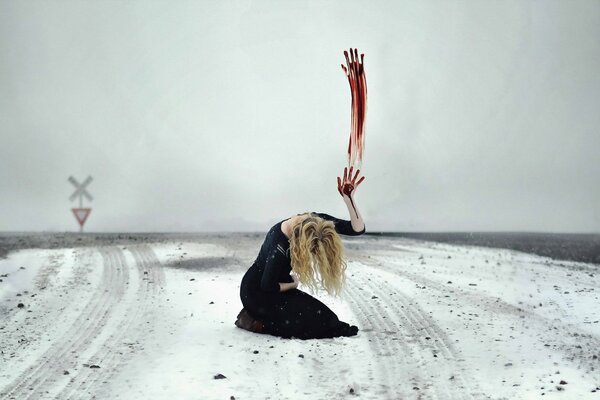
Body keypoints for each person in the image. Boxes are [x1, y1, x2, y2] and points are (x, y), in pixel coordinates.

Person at [235, 167, 366, 339]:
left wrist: (349, 199)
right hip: (258, 293)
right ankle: (253, 320)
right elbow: (268, 286)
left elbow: (357, 229)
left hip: (279, 288)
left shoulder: (315, 221)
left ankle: (263, 318)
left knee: (328, 320)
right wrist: (293, 284)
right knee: (308, 327)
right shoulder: (280, 243)